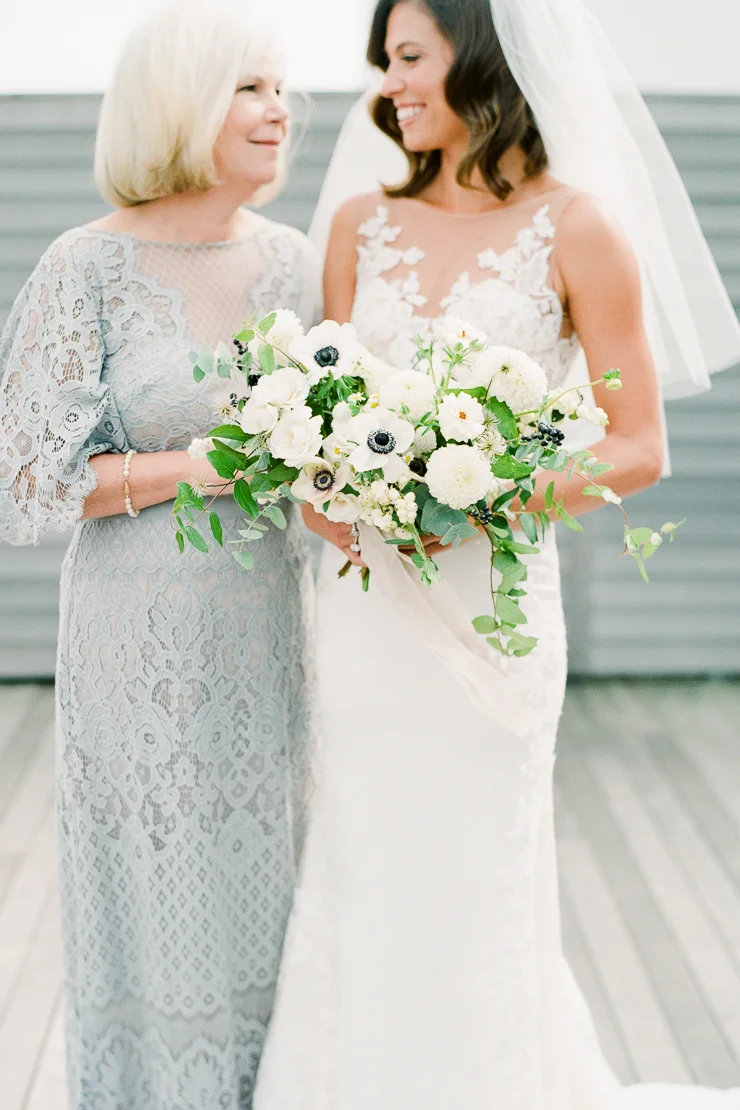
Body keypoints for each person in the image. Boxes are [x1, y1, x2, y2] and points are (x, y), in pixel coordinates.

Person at [253, 1, 740, 1108]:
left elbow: (637, 445)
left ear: (483, 57)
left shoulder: (577, 228)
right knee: (365, 851)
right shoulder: (357, 228)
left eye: (408, 58)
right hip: (367, 606)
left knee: (474, 861)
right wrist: (331, 498)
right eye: (383, 63)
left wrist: (483, 500)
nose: (388, 86)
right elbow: (318, 423)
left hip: (493, 608)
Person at [0, 2, 321, 1107]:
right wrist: (203, 466)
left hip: (274, 629)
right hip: (134, 646)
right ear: (180, 105)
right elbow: (27, 483)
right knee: (155, 873)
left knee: (274, 871)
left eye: (280, 88)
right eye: (248, 89)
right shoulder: (84, 265)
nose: (278, 110)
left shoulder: (295, 264)